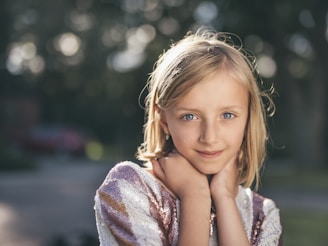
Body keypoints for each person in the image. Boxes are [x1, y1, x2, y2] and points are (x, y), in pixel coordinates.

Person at [94, 28, 283, 246]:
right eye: (190, 116)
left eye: (227, 115)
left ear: (248, 118)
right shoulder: (130, 189)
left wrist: (224, 198)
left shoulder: (263, 214)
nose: (210, 137)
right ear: (163, 120)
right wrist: (196, 196)